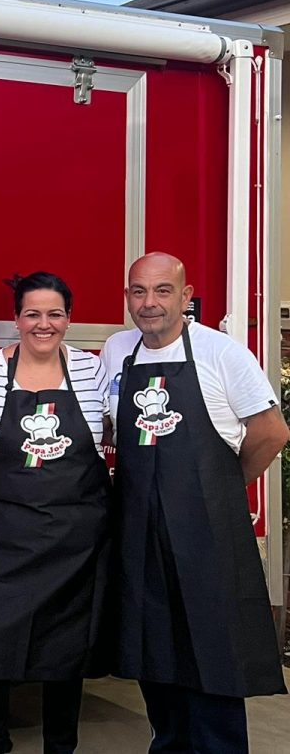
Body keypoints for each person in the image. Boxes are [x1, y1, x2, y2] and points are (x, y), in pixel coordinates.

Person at [102, 252, 287, 754]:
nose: (149, 303)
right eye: (138, 291)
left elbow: (271, 432)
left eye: (163, 291)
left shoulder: (223, 353)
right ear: (127, 298)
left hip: (207, 530)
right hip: (140, 528)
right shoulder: (118, 351)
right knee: (153, 649)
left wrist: (226, 487)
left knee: (213, 649)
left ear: (186, 297)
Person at [0, 271, 111, 754]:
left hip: (76, 545)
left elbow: (112, 442)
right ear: (16, 319)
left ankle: (62, 748)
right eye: (33, 314)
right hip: (6, 544)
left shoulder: (90, 370)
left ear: (69, 319)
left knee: (67, 661)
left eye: (55, 314)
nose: (45, 324)